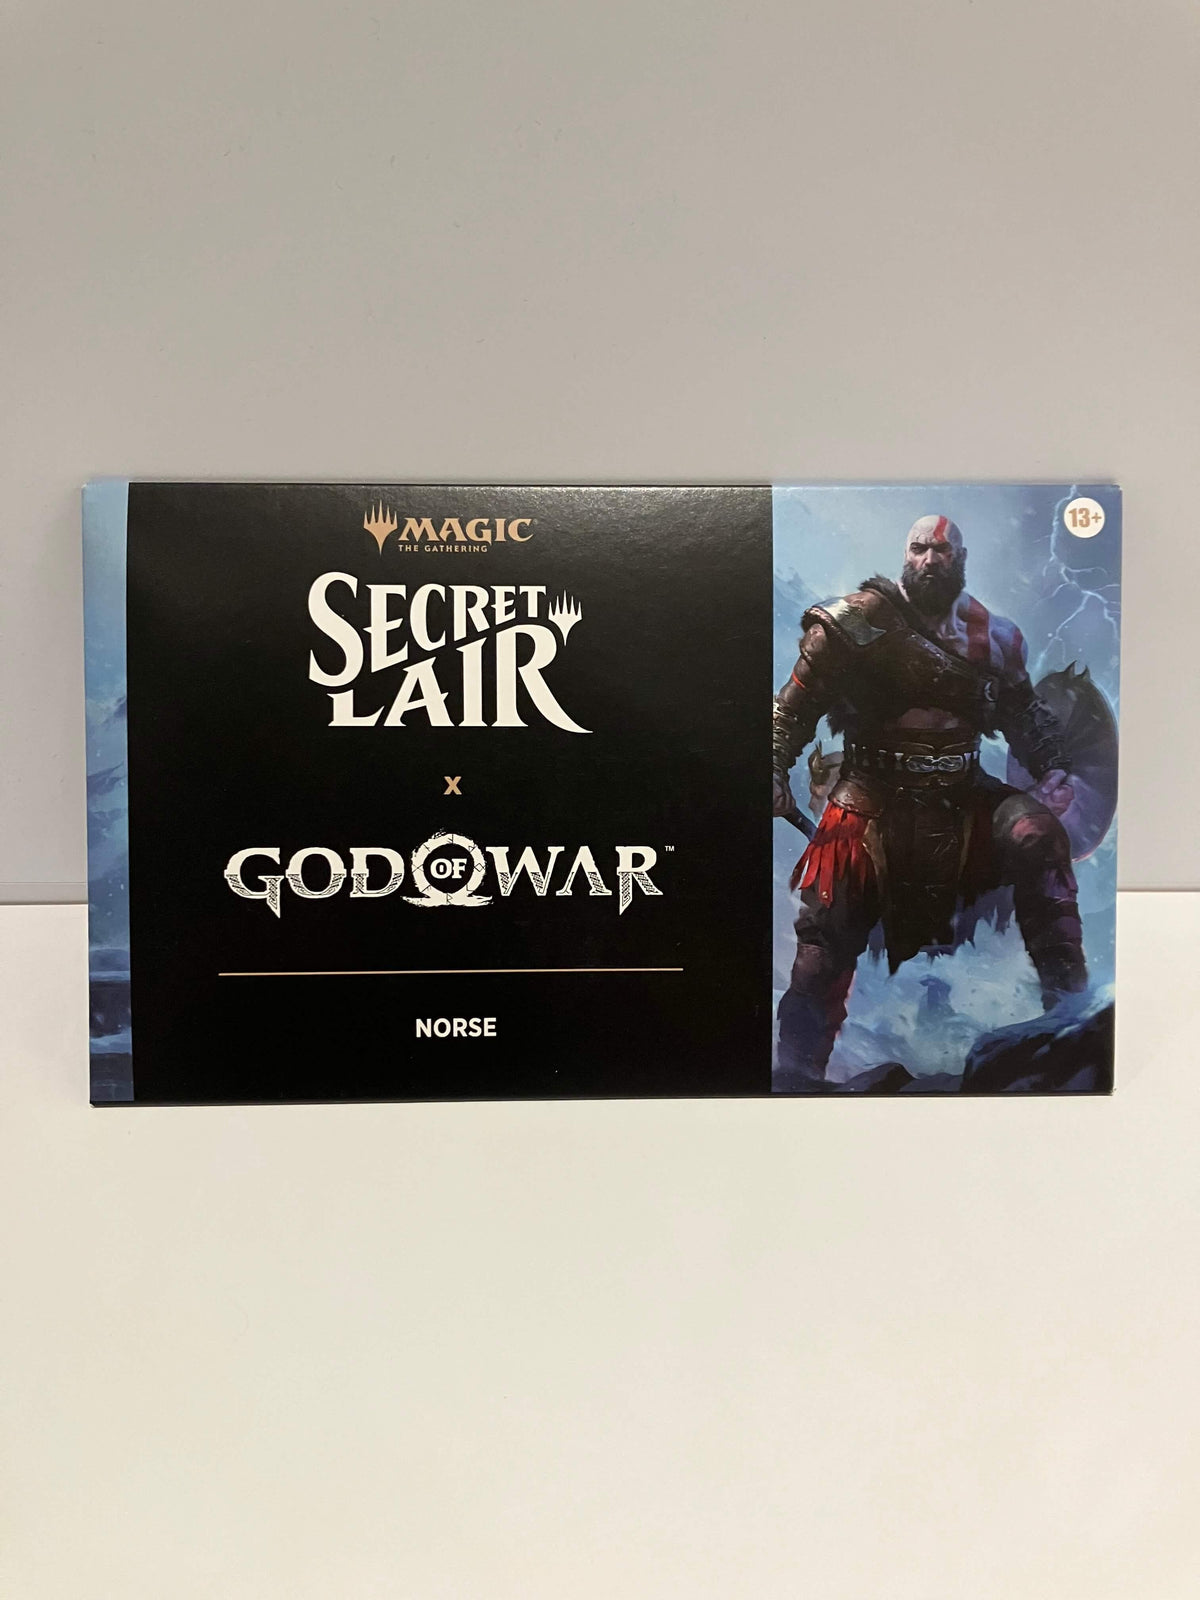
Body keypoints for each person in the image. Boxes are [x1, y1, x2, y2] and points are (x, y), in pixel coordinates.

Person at [772, 514, 1085, 1083]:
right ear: (905, 555)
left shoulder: (997, 638)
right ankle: (795, 1076)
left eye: (943, 550)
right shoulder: (854, 623)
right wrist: (771, 766)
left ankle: (1071, 1022)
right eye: (920, 548)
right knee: (825, 932)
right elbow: (790, 709)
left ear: (960, 560)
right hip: (871, 796)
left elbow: (1026, 716)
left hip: (964, 795)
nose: (930, 559)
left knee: (1037, 835)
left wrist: (1056, 768)